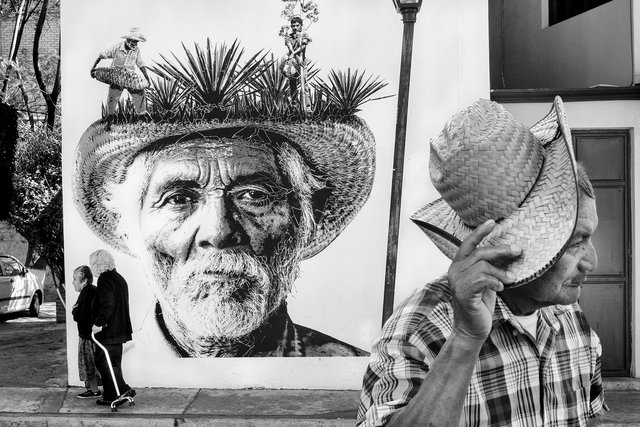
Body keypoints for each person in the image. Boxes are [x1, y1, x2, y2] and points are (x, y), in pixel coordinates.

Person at [357, 97, 607, 426]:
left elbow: (589, 415)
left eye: (590, 238)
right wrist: (464, 340)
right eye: (576, 244)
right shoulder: (419, 330)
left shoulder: (572, 321)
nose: (592, 262)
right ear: (510, 250)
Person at [73, 116, 375, 357]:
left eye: (254, 195)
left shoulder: (351, 365)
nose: (218, 232)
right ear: (128, 226)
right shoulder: (116, 367)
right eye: (178, 199)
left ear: (309, 219)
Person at [90, 249, 135, 406]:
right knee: (113, 363)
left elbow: (107, 305)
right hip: (121, 330)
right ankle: (111, 395)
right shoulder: (119, 278)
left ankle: (123, 389)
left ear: (98, 264)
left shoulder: (105, 279)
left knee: (102, 361)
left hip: (109, 331)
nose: (91, 267)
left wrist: (98, 323)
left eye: (92, 263)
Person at [90, 27, 151, 116]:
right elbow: (102, 55)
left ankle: (142, 115)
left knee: (139, 93)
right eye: (133, 41)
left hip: (130, 77)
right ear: (127, 40)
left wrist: (147, 77)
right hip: (116, 77)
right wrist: (93, 67)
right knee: (113, 98)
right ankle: (110, 118)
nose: (135, 44)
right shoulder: (117, 47)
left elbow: (140, 64)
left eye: (136, 42)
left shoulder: (136, 50)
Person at [71, 265, 101, 399]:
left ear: (84, 280)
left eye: (75, 279)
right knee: (91, 365)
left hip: (88, 337)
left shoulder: (88, 293)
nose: (73, 282)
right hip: (89, 336)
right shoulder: (89, 291)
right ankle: (94, 390)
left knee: (90, 365)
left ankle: (94, 391)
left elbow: (81, 315)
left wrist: (74, 311)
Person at [282, 16, 311, 107]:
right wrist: (294, 55)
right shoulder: (288, 37)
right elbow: (290, 48)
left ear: (301, 26)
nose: (295, 27)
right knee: (292, 84)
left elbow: (303, 46)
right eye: (293, 26)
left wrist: (295, 55)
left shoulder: (304, 35)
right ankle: (294, 106)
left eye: (297, 25)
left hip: (302, 61)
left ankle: (307, 108)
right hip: (293, 62)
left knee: (304, 83)